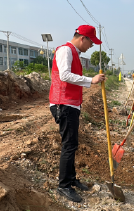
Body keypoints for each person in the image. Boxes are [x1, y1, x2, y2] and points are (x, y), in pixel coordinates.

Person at [49, 25, 105, 202]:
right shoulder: (65, 50)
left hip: (70, 104)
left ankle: (71, 179)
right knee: (69, 144)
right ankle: (63, 185)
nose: (91, 46)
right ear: (83, 38)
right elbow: (65, 75)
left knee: (72, 143)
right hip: (63, 104)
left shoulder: (74, 53)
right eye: (91, 43)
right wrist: (91, 80)